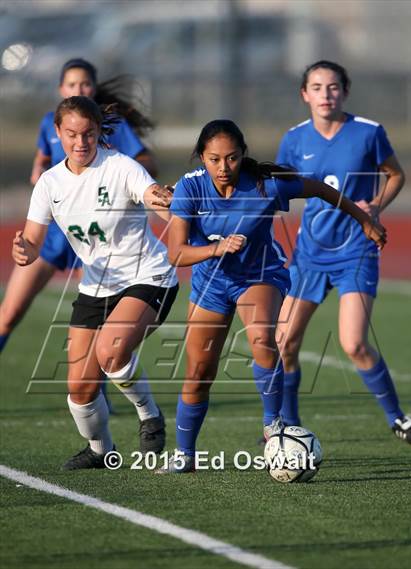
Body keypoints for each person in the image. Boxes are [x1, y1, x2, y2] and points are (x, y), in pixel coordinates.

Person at [156, 119, 386, 473]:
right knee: (200, 370)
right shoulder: (190, 189)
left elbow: (321, 189)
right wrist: (217, 250)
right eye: (214, 159)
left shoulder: (266, 185)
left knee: (263, 337)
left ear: (242, 155)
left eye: (231, 158)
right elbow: (177, 253)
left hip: (260, 275)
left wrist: (363, 220)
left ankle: (272, 424)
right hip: (211, 282)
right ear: (201, 157)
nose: (223, 167)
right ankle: (185, 455)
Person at [12, 96, 178, 469]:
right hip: (97, 286)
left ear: (100, 132)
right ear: (58, 133)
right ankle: (101, 450)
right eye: (71, 134)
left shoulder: (121, 167)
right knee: (80, 390)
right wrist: (24, 251)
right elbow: (33, 242)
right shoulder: (50, 184)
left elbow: (153, 196)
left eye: (88, 133)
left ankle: (149, 415)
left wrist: (165, 199)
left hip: (148, 276)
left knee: (110, 351)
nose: (80, 142)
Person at [275, 60, 411, 445]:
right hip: (309, 254)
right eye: (317, 87)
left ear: (345, 91)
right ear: (305, 94)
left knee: (353, 344)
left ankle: (398, 418)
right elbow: (280, 193)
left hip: (356, 250)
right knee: (283, 342)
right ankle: (288, 426)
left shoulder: (369, 133)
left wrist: (376, 206)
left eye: (334, 86)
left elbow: (397, 175)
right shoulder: (293, 140)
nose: (326, 94)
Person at [0, 58, 157, 360]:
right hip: (57, 232)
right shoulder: (50, 122)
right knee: (9, 312)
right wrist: (38, 169)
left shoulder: (110, 126)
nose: (79, 88)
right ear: (61, 88)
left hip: (99, 236)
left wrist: (118, 169)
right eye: (72, 84)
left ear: (94, 87)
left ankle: (100, 395)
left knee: (99, 327)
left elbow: (147, 165)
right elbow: (42, 159)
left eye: (85, 83)